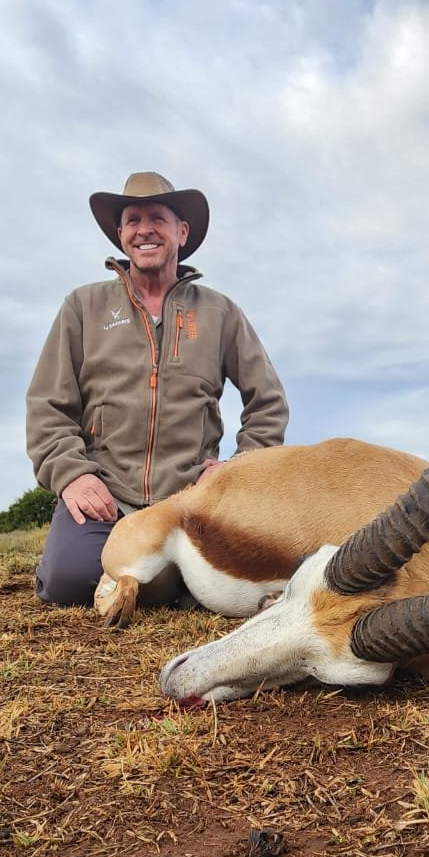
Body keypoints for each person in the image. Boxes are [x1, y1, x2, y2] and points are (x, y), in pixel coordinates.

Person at [26, 172, 289, 607]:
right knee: (67, 583)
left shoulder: (221, 312)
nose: (144, 229)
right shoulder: (83, 306)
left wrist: (236, 471)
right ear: (120, 234)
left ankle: (176, 577)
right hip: (106, 495)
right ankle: (121, 566)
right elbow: (48, 404)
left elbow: (269, 402)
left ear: (181, 231)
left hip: (189, 499)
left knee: (223, 586)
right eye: (132, 219)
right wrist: (72, 475)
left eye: (157, 218)